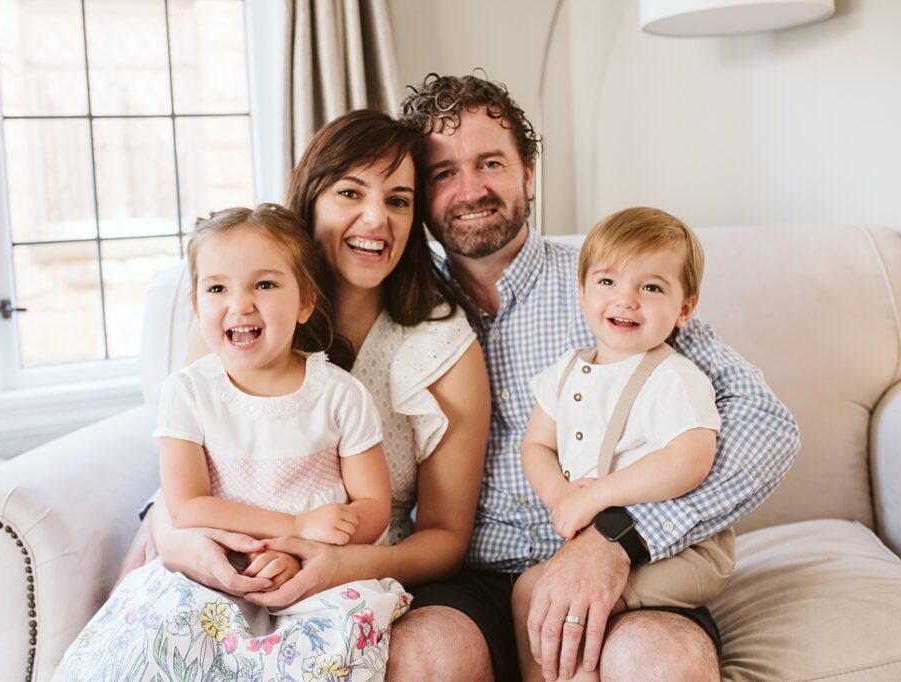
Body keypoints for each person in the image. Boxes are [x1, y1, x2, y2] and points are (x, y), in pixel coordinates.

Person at [236, 75, 798, 682]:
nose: (470, 189)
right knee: (424, 657)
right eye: (444, 173)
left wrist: (619, 539)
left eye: (490, 163)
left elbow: (768, 426)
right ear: (421, 196)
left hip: (623, 562)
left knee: (658, 661)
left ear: (529, 173)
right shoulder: (400, 314)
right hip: (467, 582)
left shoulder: (613, 288)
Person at [98, 110, 492, 679]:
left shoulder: (440, 345)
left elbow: (446, 537)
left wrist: (334, 563)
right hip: (226, 555)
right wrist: (177, 543)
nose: (376, 218)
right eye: (350, 192)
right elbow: (182, 488)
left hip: (360, 565)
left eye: (400, 200)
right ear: (311, 199)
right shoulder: (238, 323)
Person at [56, 203, 411, 680]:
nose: (240, 304)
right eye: (218, 288)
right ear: (198, 306)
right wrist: (297, 524)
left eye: (264, 285)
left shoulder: (339, 394)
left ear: (305, 300)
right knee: (156, 645)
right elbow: (187, 506)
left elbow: (372, 506)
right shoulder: (188, 393)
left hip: (311, 583)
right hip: (209, 575)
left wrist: (305, 548)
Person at [514, 206, 735, 681]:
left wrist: (595, 496)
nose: (627, 299)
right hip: (592, 545)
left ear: (685, 308)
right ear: (582, 292)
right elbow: (536, 446)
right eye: (608, 281)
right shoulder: (566, 370)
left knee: (579, 601)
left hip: (678, 553)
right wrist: (561, 496)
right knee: (532, 590)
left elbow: (690, 459)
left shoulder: (674, 377)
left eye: (651, 287)